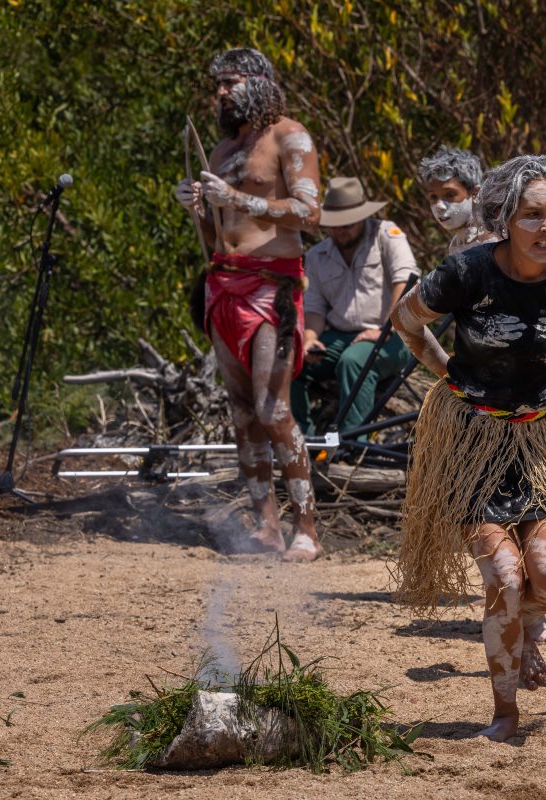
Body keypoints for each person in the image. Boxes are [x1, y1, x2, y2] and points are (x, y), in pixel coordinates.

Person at [390, 155, 546, 742]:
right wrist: (444, 371)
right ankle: (504, 712)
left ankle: (518, 639)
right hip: (473, 441)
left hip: (544, 440)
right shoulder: (466, 272)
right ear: (504, 217)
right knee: (504, 576)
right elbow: (405, 319)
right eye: (532, 216)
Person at [173, 48, 322, 562]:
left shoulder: (290, 136)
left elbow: (308, 212)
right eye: (217, 84)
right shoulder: (220, 153)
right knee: (240, 412)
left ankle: (308, 527)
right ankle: (266, 526)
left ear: (258, 81)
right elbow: (218, 235)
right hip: (223, 285)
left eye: (230, 83)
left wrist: (240, 201)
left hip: (271, 288)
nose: (220, 93)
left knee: (272, 408)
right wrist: (199, 209)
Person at [290, 177, 418, 439]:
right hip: (339, 335)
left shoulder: (386, 235)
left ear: (362, 217)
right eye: (335, 226)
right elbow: (314, 308)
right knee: (292, 361)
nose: (341, 231)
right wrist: (310, 340)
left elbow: (405, 282)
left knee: (354, 362)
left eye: (348, 224)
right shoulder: (316, 256)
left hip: (394, 334)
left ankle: (352, 443)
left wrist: (385, 328)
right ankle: (301, 440)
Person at [417, 146, 496, 255]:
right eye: (433, 197)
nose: (439, 206)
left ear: (475, 194)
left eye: (450, 194)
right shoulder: (457, 244)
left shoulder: (492, 239)